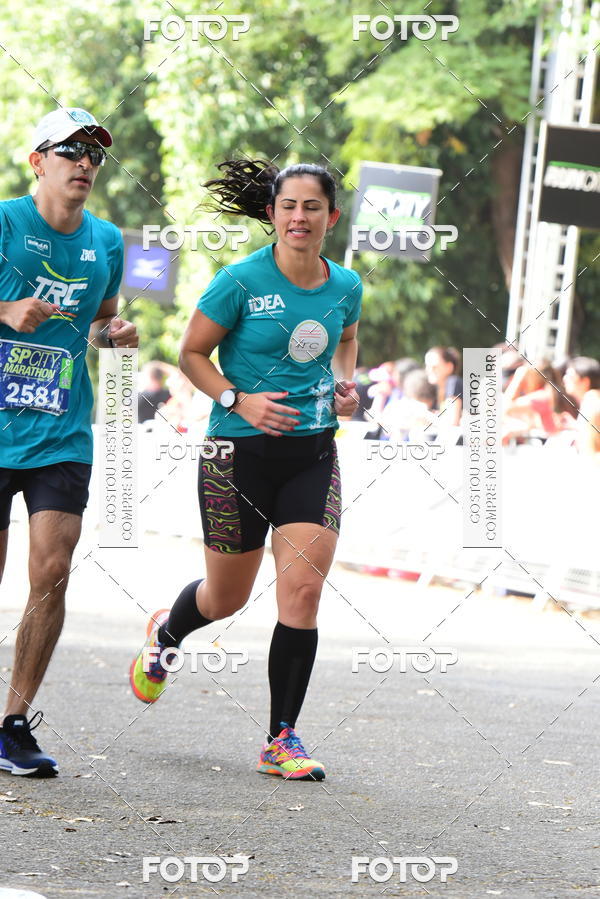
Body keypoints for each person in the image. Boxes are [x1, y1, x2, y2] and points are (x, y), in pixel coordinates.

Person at [130, 159, 362, 781]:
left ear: (332, 216)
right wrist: (239, 400)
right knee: (225, 598)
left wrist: (345, 385)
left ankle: (280, 738)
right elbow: (191, 353)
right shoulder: (239, 281)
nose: (299, 217)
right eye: (289, 206)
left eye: (312, 207)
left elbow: (346, 340)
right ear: (271, 213)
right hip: (234, 456)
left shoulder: (346, 285)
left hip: (312, 453)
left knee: (303, 592)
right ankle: (168, 633)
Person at [0, 108, 138, 777]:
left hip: (62, 430)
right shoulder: (5, 222)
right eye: (71, 150)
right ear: (38, 161)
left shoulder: (106, 240)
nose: (85, 163)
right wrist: (4, 310)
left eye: (95, 154)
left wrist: (115, 336)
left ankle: (13, 724)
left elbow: (100, 322)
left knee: (51, 571)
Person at [563, 357, 600, 454]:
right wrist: (575, 425)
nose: (564, 379)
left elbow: (590, 450)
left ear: (585, 382)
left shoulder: (591, 402)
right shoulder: (593, 399)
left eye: (570, 376)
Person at [424, 346, 463, 426]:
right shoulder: (435, 388)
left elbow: (452, 422)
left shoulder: (453, 382)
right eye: (427, 366)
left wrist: (425, 416)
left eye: (434, 367)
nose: (429, 370)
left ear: (449, 367)